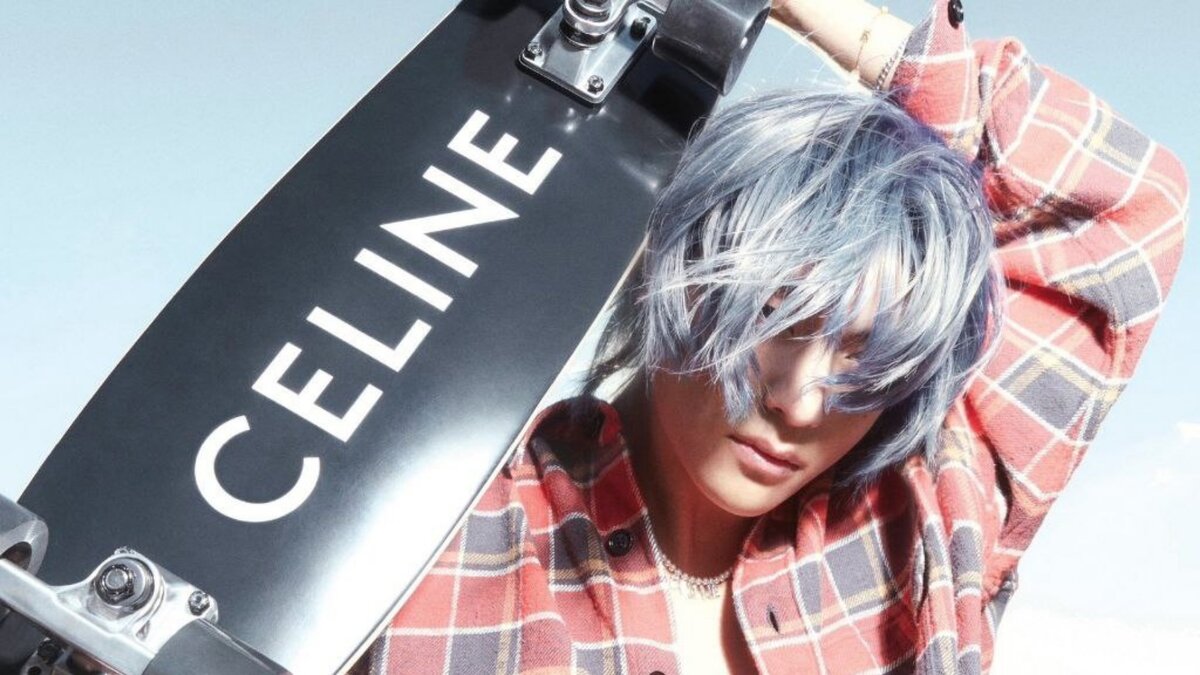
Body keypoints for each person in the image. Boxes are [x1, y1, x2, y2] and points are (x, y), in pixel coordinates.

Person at [355, 0, 1188, 672]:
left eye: (869, 359)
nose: (802, 403)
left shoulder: (920, 520)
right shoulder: (448, 530)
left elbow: (1135, 206)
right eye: (776, 318)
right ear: (675, 267)